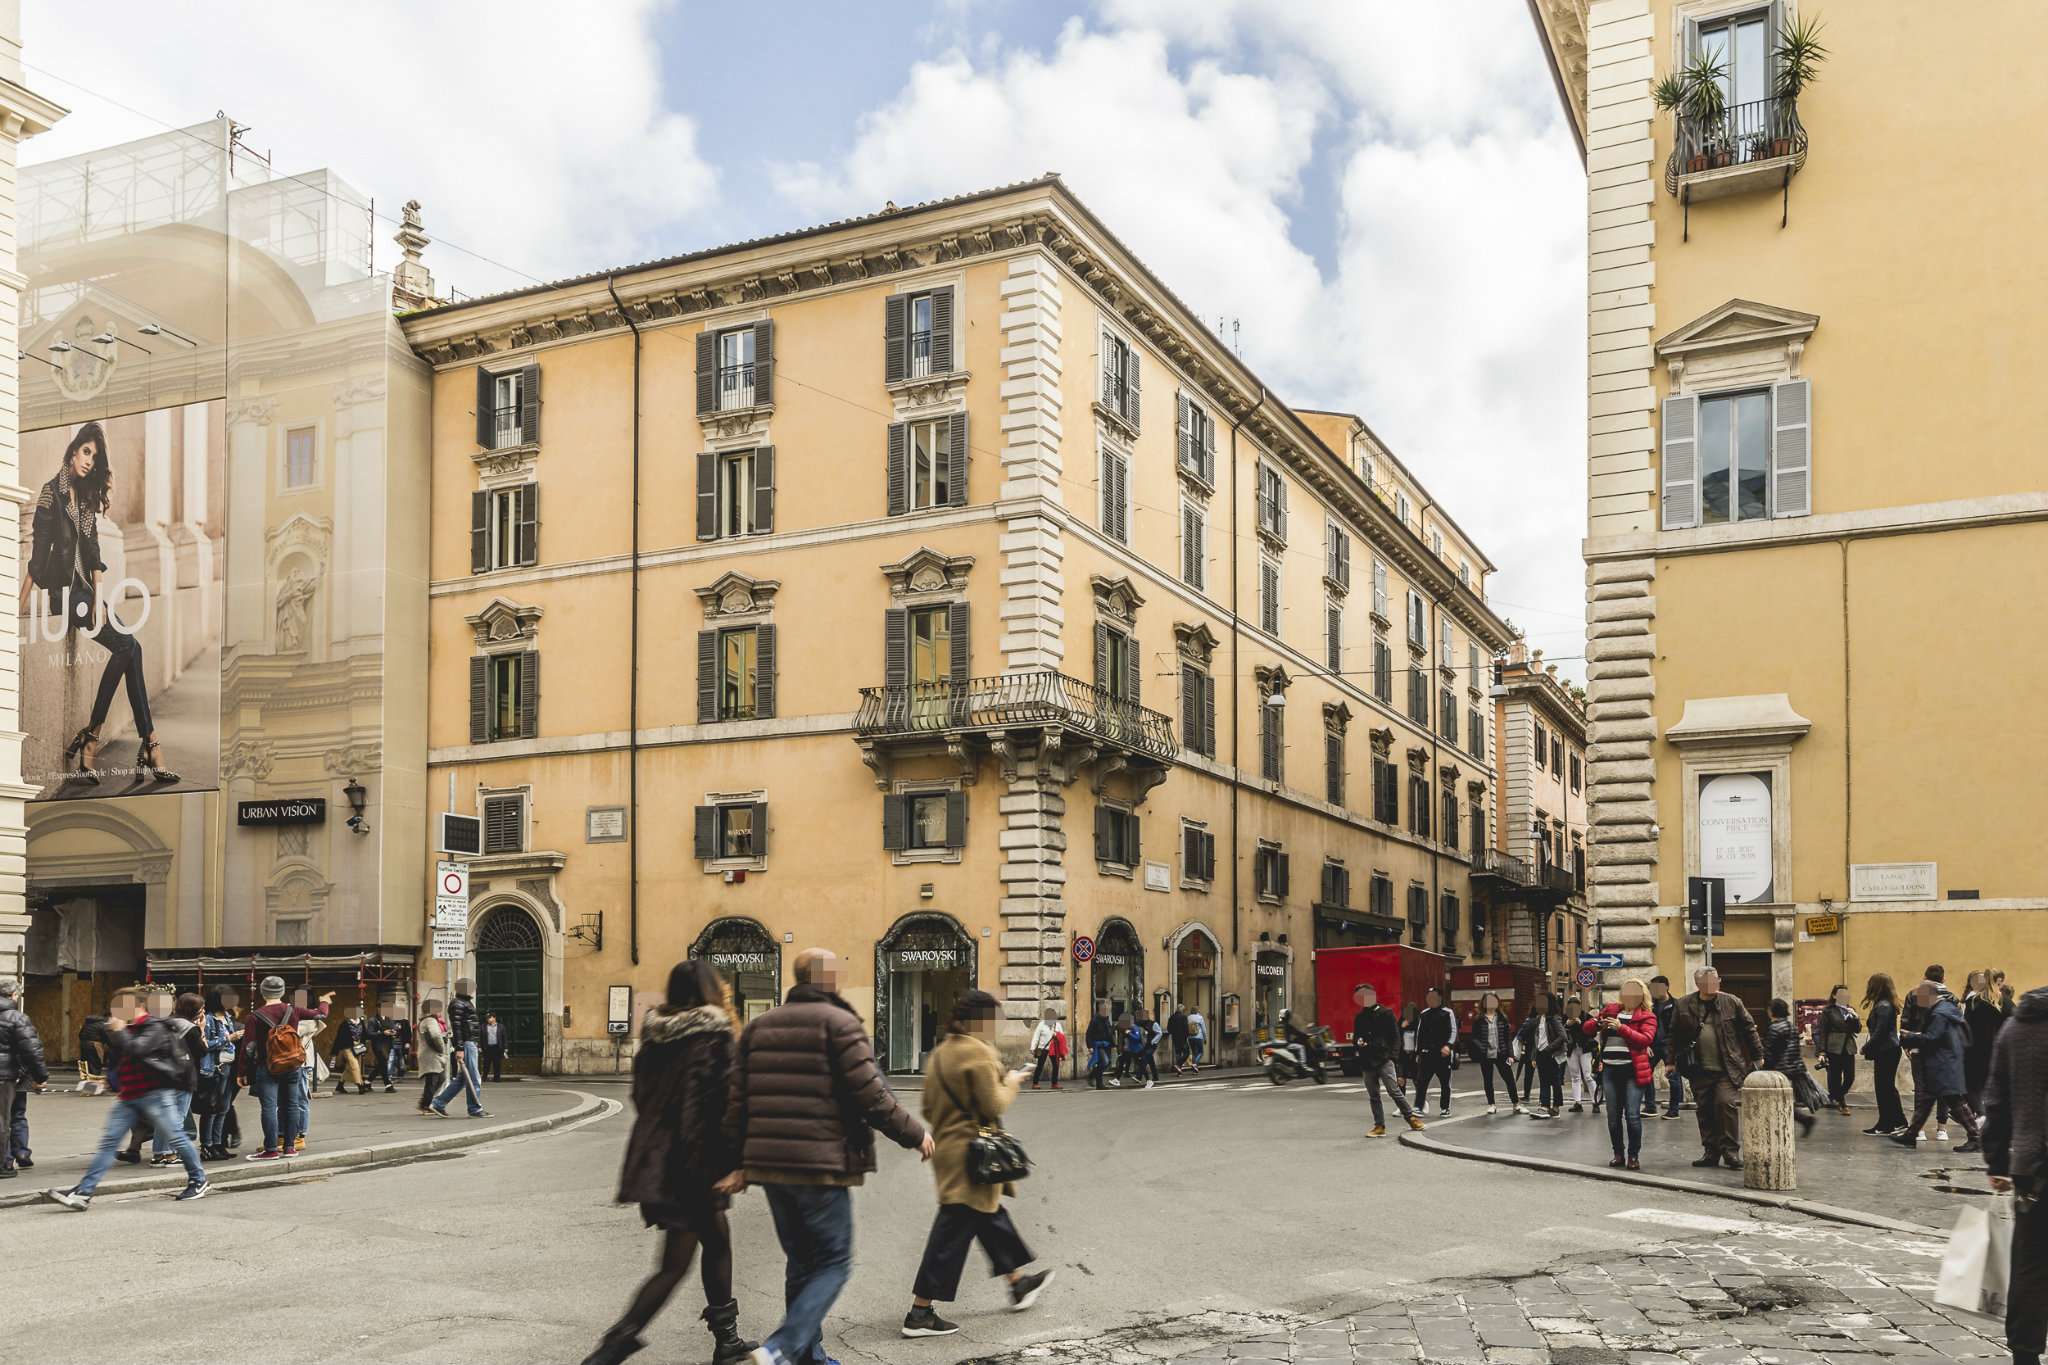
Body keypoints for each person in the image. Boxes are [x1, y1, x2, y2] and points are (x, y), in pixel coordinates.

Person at [722, 947, 931, 1365]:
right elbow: (872, 1096)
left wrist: (736, 1162)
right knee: (833, 1262)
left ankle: (807, 1355)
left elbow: (736, 1102)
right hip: (820, 1165)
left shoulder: (758, 1028)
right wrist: (915, 1134)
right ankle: (780, 1350)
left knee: (801, 1262)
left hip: (770, 1167)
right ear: (827, 979)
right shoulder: (840, 1025)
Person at [583, 962, 759, 1365]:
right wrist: (735, 1163)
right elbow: (725, 1107)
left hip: (658, 1161)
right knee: (674, 1264)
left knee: (716, 1242)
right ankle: (613, 1345)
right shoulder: (714, 1039)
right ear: (709, 990)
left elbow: (642, 1098)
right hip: (694, 1164)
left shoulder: (655, 1039)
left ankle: (727, 1340)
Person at [22, 422, 180, 786]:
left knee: (132, 647)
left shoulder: (84, 495)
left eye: (95, 455)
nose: (90, 461)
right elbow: (38, 552)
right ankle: (113, 740)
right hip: (66, 596)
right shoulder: (53, 494)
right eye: (86, 452)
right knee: (127, 645)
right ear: (73, 451)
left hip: (88, 595)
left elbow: (92, 552)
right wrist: (17, 606)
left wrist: (98, 598)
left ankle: (139, 741)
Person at [900, 990, 1054, 1339]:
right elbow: (993, 1104)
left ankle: (1018, 1283)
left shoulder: (941, 1053)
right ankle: (920, 1312)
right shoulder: (980, 1053)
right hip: (974, 1153)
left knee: (988, 1216)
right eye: (995, 1020)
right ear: (979, 1022)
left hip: (949, 1150)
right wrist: (1012, 1082)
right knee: (952, 1231)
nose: (998, 1027)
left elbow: (927, 1107)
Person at [43, 987, 208, 1208]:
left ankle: (198, 1180)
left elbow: (138, 1050)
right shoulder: (129, 1029)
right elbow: (122, 1062)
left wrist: (119, 1031)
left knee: (176, 1137)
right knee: (108, 1143)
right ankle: (84, 1192)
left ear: (137, 1006)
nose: (115, 1011)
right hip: (129, 1095)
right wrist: (109, 1082)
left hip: (156, 1094)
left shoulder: (154, 1027)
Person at [1981, 980, 2045, 1365]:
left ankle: (2025, 1353)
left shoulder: (2015, 1026)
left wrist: (1997, 1163)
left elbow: (1996, 1099)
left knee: (2031, 1264)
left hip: (2029, 1167)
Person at [1671, 967, 1760, 1169]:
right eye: (1708, 981)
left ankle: (1730, 1152)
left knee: (1725, 1104)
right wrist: (1670, 1061)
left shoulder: (1732, 1001)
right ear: (1698, 984)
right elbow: (1673, 1034)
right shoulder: (1684, 1004)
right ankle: (1711, 1152)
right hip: (1698, 1067)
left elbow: (1749, 1028)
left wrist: (1758, 1055)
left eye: (1716, 980)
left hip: (1728, 1067)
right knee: (1704, 1110)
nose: (1713, 984)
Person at [239, 977, 331, 1161]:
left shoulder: (255, 1016)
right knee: (292, 1105)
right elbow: (321, 1015)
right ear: (282, 992)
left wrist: (243, 1072)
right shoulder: (293, 1010)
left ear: (263, 992)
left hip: (268, 1066)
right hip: (292, 1065)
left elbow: (248, 1047)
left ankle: (271, 1149)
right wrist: (324, 1001)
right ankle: (290, 1147)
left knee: (269, 1107)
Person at [1894, 979, 1982, 1152]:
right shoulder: (1948, 1010)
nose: (1918, 1002)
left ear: (1929, 996)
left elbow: (1933, 1038)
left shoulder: (1939, 1014)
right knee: (1927, 1100)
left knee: (1955, 1101)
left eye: (1919, 997)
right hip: (1945, 1060)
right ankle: (1911, 1134)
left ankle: (1976, 1137)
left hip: (1942, 1063)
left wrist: (1910, 1036)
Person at [1588, 978, 1658, 1170]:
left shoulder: (1647, 1016)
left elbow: (1645, 1040)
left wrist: (1621, 1028)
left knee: (1633, 1115)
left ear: (1642, 995)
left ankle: (1633, 1156)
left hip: (1632, 1071)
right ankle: (1618, 1153)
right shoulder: (1611, 1010)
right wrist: (1597, 1023)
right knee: (1612, 1116)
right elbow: (1587, 1029)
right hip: (1610, 1069)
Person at [1351, 983, 1421, 1137]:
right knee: (1374, 1095)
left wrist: (1393, 1057)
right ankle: (1379, 1126)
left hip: (1383, 1059)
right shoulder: (1360, 1017)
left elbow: (1395, 1037)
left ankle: (1411, 1117)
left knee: (1394, 1091)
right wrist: (1358, 1042)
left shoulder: (1386, 1013)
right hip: (1367, 1061)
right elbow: (1356, 1037)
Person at [1, 977, 49, 1179]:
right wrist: (40, 1077)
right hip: (8, 1077)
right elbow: (32, 1051)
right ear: (14, 995)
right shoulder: (17, 1018)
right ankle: (7, 1162)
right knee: (9, 1117)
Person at [429, 979, 490, 1118]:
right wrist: (460, 1048)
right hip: (467, 1043)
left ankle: (439, 1103)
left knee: (463, 1079)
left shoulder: (465, 1003)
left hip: (470, 1042)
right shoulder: (458, 1004)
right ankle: (474, 1109)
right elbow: (457, 1028)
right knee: (474, 1078)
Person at [1763, 998, 1820, 1136]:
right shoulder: (1792, 1027)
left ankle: (1801, 1120)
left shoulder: (1775, 1028)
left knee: (1777, 1099)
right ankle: (1803, 1120)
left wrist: (1766, 1069)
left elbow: (1770, 1051)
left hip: (1780, 1069)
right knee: (1784, 1099)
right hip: (1795, 1067)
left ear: (1772, 1011)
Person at [197, 989, 241, 1161]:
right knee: (211, 1109)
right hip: (215, 1068)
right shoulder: (208, 1019)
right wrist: (229, 1038)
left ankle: (218, 1144)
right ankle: (207, 1146)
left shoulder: (228, 1017)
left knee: (224, 1107)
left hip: (228, 1067)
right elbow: (205, 1045)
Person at [1861, 973, 1907, 1135]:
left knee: (1883, 1088)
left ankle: (1886, 1124)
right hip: (1889, 1050)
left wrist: (1866, 1047)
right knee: (1887, 1087)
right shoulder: (1885, 1005)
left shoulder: (1883, 1006)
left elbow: (1880, 1032)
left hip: (1886, 1050)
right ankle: (1897, 1121)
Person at [1467, 993, 1522, 1116]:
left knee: (1509, 1079)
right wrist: (1482, 1047)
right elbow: (1474, 1037)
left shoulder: (1502, 1017)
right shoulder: (1479, 1019)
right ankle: (1491, 1104)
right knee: (1488, 1080)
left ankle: (1516, 1104)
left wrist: (1511, 1055)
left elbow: (1508, 1038)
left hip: (1501, 1053)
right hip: (1486, 1055)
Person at [1517, 992, 1569, 1117]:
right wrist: (1535, 1056)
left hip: (1552, 1054)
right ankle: (1545, 1107)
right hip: (1541, 1054)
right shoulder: (1539, 1019)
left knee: (1555, 1081)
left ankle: (1556, 1108)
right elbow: (1537, 1039)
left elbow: (1563, 1036)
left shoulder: (1554, 1018)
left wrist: (1549, 1049)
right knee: (1544, 1081)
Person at [1815, 985, 1861, 1116]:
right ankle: (1842, 1103)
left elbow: (1857, 1029)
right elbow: (1822, 1031)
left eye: (1846, 994)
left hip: (1848, 1047)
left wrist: (1856, 1018)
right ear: (1834, 996)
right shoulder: (1828, 1011)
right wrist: (1822, 1051)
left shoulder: (1851, 1010)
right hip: (1833, 1047)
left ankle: (1836, 1096)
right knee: (1834, 1077)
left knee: (1850, 1077)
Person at [1964, 970, 2006, 1113]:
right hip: (1997, 1051)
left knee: (1970, 1087)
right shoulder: (2004, 1001)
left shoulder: (1973, 1002)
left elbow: (1966, 1027)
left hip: (1975, 1051)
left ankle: (1981, 1116)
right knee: (1991, 1089)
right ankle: (1987, 1117)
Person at [1414, 987, 1457, 1117]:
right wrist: (1418, 1053)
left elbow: (1453, 1031)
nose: (1431, 999)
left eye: (1434, 996)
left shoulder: (1447, 1013)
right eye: (1429, 996)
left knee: (1445, 1083)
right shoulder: (1424, 1013)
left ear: (1440, 998)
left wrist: (1448, 1046)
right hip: (1427, 1054)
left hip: (1443, 1054)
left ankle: (1445, 1108)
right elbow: (1419, 1034)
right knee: (1422, 1082)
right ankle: (1418, 1107)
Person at [1650, 975, 1684, 1119]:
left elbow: (1681, 1027)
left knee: (1674, 1077)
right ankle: (1650, 1106)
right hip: (1652, 1045)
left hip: (1670, 1046)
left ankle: (1674, 1109)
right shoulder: (1650, 1005)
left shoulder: (1677, 1005)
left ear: (1666, 987)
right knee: (1644, 1074)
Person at [330, 1004, 373, 1096]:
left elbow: (364, 1035)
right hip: (347, 1047)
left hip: (358, 1047)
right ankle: (360, 1085)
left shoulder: (361, 1022)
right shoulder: (345, 1024)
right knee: (354, 1065)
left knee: (349, 1067)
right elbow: (339, 1038)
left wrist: (365, 1046)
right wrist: (335, 1052)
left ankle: (340, 1085)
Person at [1562, 997, 1596, 1113]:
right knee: (1575, 1077)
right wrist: (1567, 1024)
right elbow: (1560, 1032)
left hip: (1585, 1049)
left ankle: (1595, 1102)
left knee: (1588, 1076)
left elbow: (1593, 1032)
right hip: (1571, 1050)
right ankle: (1577, 1102)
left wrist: (1582, 1024)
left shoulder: (1586, 1017)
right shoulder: (1565, 1017)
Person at [416, 999, 449, 1114]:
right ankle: (426, 1105)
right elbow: (435, 1036)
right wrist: (441, 1048)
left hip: (428, 1054)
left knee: (438, 1079)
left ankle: (425, 1103)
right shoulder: (430, 1020)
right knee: (434, 1080)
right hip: (431, 1055)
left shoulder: (425, 1020)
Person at [1028, 1007, 1062, 1090]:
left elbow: (1062, 1037)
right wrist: (1032, 1047)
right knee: (1040, 1065)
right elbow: (1036, 1036)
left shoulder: (1057, 1025)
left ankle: (1054, 1083)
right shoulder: (1041, 1024)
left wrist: (1061, 1049)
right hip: (1043, 1048)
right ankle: (1035, 1083)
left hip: (1054, 1048)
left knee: (1056, 1065)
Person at [77, 1011, 110, 1094]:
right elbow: (106, 1036)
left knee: (87, 1067)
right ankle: (91, 1089)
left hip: (83, 1045)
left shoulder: (87, 1023)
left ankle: (87, 1088)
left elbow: (80, 1034)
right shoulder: (102, 1024)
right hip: (94, 1046)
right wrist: (111, 1045)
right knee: (95, 1066)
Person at [1085, 1003, 1115, 1090]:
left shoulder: (1106, 1020)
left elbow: (1108, 1033)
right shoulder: (1095, 1020)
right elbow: (1089, 1033)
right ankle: (1099, 1083)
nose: (1106, 1011)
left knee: (1106, 1063)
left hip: (1106, 1045)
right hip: (1098, 1045)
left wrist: (1113, 1044)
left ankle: (1092, 1077)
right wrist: (1090, 1046)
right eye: (1105, 1009)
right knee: (1104, 1062)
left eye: (1107, 1009)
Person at [1397, 1001, 1421, 1085]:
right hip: (1402, 1055)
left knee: (1417, 1079)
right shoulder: (1401, 1022)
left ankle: (1420, 1097)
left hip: (1414, 1055)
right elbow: (1396, 1035)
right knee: (1401, 1079)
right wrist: (1401, 1027)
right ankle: (1401, 1098)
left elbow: (1421, 1038)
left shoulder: (1418, 1024)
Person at [482, 1012, 508, 1083]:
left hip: (497, 1048)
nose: (488, 1019)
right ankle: (484, 1078)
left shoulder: (501, 1027)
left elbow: (504, 1037)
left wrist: (505, 1048)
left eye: (489, 1018)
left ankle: (497, 1078)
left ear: (494, 1018)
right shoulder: (483, 1026)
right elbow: (481, 1037)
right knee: (486, 1064)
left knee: (497, 1064)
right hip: (487, 1048)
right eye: (487, 1018)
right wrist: (479, 1046)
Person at [1166, 1003, 1191, 1075]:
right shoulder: (1183, 1017)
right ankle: (1178, 1064)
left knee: (1178, 1053)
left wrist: (1173, 1033)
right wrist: (1187, 1036)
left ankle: (1178, 1070)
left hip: (1175, 1037)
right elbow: (1186, 1028)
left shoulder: (1172, 1017)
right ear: (1182, 1010)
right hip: (1183, 1038)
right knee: (1187, 1052)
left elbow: (1169, 1028)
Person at [1187, 1004, 1207, 1070]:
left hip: (1190, 1038)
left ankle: (1194, 1069)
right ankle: (1195, 1064)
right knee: (1201, 1052)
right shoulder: (1200, 1017)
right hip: (1199, 1037)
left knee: (1194, 1053)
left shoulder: (1188, 1017)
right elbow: (1203, 1029)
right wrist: (1205, 1038)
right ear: (1197, 1011)